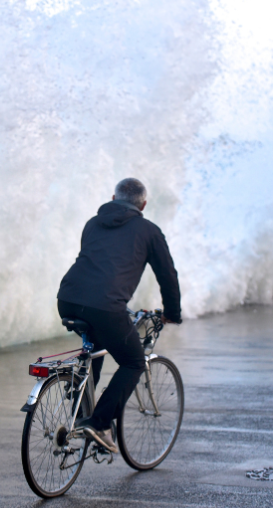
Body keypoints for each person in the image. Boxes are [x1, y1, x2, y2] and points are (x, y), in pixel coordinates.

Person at [57, 177, 182, 454]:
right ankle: (99, 423)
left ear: (113, 199)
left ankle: (80, 407)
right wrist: (172, 313)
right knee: (134, 362)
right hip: (105, 306)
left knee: (97, 346)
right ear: (144, 205)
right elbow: (167, 275)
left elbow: (97, 265)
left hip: (67, 299)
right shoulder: (149, 231)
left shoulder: (92, 223)